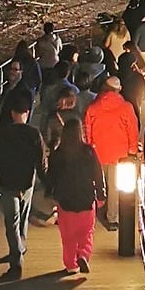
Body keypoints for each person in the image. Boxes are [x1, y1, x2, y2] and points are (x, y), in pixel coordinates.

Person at [0, 93, 46, 278]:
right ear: (27, 113)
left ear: (12, 113)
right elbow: (41, 161)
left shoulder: (2, 134)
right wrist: (46, 182)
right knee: (23, 216)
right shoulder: (33, 134)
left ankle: (16, 256)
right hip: (27, 180)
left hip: (8, 180)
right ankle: (21, 246)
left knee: (11, 221)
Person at [45, 107, 103, 274]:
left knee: (68, 237)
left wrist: (51, 193)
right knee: (86, 233)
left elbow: (51, 176)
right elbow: (97, 174)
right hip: (86, 198)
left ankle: (71, 265)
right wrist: (101, 194)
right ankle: (83, 254)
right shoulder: (89, 152)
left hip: (65, 200)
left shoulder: (57, 154)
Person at [84, 77, 141, 232]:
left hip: (98, 152)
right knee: (115, 187)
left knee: (97, 184)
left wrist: (89, 147)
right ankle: (112, 218)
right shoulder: (126, 107)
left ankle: (93, 214)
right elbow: (132, 130)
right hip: (119, 154)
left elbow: (87, 129)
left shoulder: (93, 107)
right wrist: (133, 149)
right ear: (118, 90)